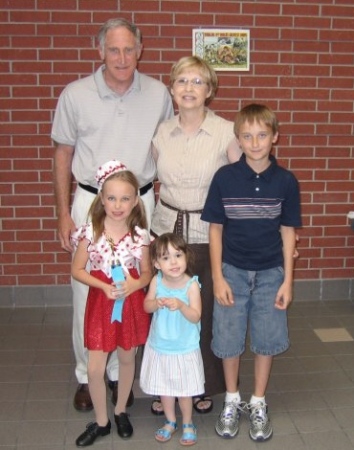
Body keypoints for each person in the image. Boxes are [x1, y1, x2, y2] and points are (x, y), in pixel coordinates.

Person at [51, 17, 173, 411]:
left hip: (140, 203)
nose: (121, 58)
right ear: (100, 50)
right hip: (90, 203)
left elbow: (165, 149)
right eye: (113, 49)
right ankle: (89, 375)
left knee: (135, 287)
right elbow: (62, 153)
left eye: (128, 49)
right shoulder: (75, 94)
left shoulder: (158, 94)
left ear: (140, 51)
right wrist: (62, 214)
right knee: (88, 292)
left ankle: (124, 375)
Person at [201, 103, 302, 442]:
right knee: (228, 340)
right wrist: (217, 277)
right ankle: (232, 399)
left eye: (262, 135)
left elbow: (288, 232)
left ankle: (258, 401)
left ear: (274, 137)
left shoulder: (286, 181)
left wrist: (287, 279)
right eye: (247, 136)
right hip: (232, 270)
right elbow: (215, 229)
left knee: (266, 339)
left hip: (271, 273)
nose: (255, 142)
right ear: (238, 139)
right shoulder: (225, 178)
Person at [149, 55, 242, 415]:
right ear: (172, 89)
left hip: (207, 231)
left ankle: (201, 384)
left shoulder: (225, 131)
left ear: (210, 90)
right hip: (165, 230)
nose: (189, 88)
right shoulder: (161, 132)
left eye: (197, 82)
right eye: (182, 81)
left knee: (201, 314)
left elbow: (244, 182)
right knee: (164, 312)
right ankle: (164, 385)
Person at [71, 160, 152, 446]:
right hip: (102, 303)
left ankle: (120, 412)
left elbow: (146, 274)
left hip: (129, 303)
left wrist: (134, 285)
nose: (118, 205)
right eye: (112, 198)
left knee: (127, 356)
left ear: (135, 201)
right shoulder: (90, 232)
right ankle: (102, 422)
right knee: (95, 367)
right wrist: (104, 286)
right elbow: (77, 270)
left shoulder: (140, 236)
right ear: (102, 199)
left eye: (125, 198)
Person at [140, 233, 203, 446]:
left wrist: (182, 305)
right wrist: (156, 302)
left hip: (184, 347)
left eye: (178, 255)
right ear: (157, 263)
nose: (173, 262)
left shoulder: (191, 285)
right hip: (161, 345)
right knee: (165, 388)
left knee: (184, 390)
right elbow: (146, 305)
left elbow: (196, 315)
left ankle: (187, 422)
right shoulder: (156, 281)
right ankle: (170, 420)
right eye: (166, 258)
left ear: (186, 257)